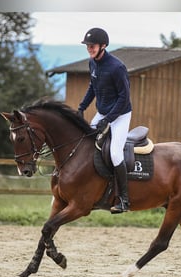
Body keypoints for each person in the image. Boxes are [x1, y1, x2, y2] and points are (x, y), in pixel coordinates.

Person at [78, 27, 132, 213]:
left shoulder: (117, 67)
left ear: (103, 46)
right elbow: (92, 87)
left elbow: (124, 98)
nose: (89, 49)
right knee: (85, 144)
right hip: (103, 113)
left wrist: (108, 119)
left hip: (120, 114)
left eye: (92, 46)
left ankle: (124, 200)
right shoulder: (92, 63)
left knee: (115, 153)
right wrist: (82, 107)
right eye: (88, 46)